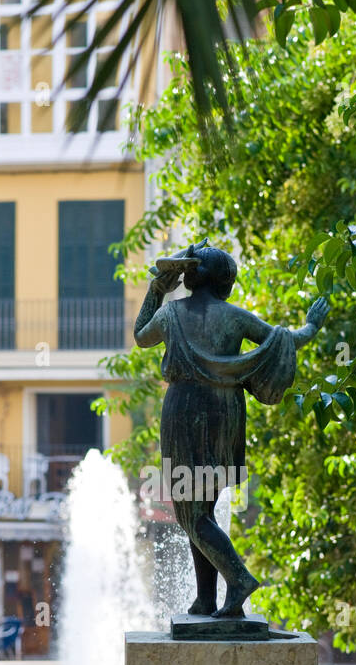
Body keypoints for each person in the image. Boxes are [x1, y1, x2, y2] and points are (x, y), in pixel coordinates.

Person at [134, 241, 327, 618]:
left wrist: (156, 288)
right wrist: (312, 326)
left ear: (189, 275)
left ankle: (238, 580)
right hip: (225, 411)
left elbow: (141, 335)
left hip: (186, 407)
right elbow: (285, 340)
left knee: (190, 512)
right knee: (201, 508)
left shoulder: (171, 314)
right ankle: (207, 599)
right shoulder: (235, 316)